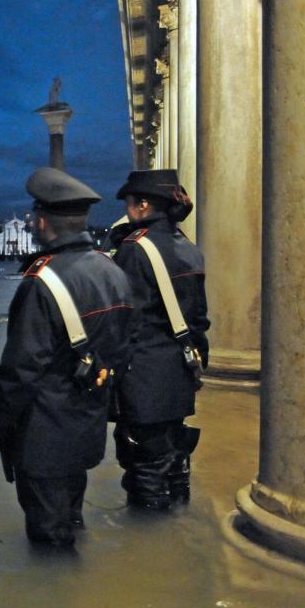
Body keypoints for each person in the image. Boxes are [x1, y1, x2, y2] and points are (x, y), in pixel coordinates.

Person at [0, 167, 133, 548]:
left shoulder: (41, 282)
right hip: (88, 422)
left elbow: (20, 369)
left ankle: (56, 597)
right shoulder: (112, 271)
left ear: (42, 221)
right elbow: (123, 345)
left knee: (49, 537)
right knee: (69, 516)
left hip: (44, 434)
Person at [111, 169, 210, 510]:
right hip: (180, 373)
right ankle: (180, 531)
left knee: (144, 468)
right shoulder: (190, 248)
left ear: (142, 205)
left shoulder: (134, 250)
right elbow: (199, 319)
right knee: (175, 458)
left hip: (144, 379)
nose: (126, 211)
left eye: (128, 203)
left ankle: (150, 548)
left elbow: (126, 324)